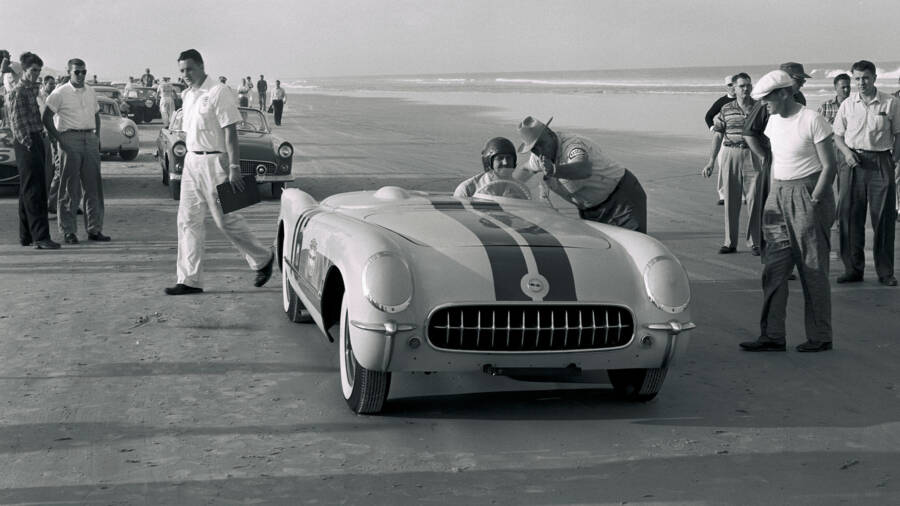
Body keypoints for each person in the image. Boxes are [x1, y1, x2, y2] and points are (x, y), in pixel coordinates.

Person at [740, 70, 837, 353]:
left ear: (783, 93)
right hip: (777, 194)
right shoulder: (771, 121)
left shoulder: (812, 120)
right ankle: (772, 335)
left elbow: (829, 166)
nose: (762, 104)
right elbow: (774, 156)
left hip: (808, 194)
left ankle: (820, 336)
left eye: (766, 98)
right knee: (774, 268)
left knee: (812, 268)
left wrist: (816, 199)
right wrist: (772, 194)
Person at [165, 49, 274, 296]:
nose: (185, 75)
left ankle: (263, 258)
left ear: (202, 66)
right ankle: (189, 280)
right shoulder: (187, 95)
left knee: (225, 220)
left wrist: (234, 167)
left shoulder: (218, 92)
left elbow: (230, 132)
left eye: (190, 69)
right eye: (182, 70)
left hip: (216, 163)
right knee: (188, 221)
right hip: (192, 162)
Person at [832, 60, 900, 286]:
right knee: (850, 217)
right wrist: (846, 154)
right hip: (852, 162)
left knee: (883, 219)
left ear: (874, 78)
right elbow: (837, 135)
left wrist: (894, 160)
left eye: (865, 78)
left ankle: (885, 271)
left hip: (881, 161)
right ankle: (853, 269)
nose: (861, 83)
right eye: (857, 79)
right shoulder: (848, 105)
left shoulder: (891, 103)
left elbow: (899, 134)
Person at [517, 116, 647, 233]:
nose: (540, 151)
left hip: (621, 200)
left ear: (550, 134)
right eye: (534, 148)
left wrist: (555, 170)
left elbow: (583, 169)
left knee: (632, 248)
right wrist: (507, 185)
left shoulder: (572, 146)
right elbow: (527, 170)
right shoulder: (539, 155)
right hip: (590, 211)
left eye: (541, 144)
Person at [43, 58, 109, 244]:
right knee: (69, 188)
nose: (80, 75)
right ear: (69, 72)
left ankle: (94, 229)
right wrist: (59, 139)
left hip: (89, 139)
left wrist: (96, 137)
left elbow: (96, 114)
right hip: (69, 139)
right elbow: (46, 117)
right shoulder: (59, 93)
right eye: (76, 72)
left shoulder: (90, 91)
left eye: (83, 71)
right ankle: (69, 231)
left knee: (93, 187)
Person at [701, 72, 761, 255]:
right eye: (742, 86)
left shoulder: (760, 107)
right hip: (730, 153)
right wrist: (711, 161)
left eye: (748, 85)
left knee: (755, 200)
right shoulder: (726, 109)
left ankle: (755, 242)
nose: (746, 89)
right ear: (733, 88)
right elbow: (718, 134)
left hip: (752, 155)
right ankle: (730, 242)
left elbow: (767, 133)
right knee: (731, 200)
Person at [7, 52, 59, 249]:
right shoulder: (18, 91)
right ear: (24, 70)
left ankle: (26, 235)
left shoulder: (31, 90)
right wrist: (29, 144)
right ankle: (41, 237)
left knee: (27, 189)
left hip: (35, 138)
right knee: (35, 190)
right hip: (27, 142)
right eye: (33, 70)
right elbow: (17, 123)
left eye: (38, 70)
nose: (36, 74)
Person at [454, 137, 529, 198]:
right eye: (500, 158)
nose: (505, 162)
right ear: (488, 162)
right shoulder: (468, 189)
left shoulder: (522, 190)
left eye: (509, 158)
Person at [705, 75, 737, 204]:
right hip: (724, 138)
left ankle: (743, 195)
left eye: (734, 84)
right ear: (726, 87)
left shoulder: (746, 101)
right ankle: (723, 195)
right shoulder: (722, 101)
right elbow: (708, 116)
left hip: (741, 139)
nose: (733, 87)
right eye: (730, 85)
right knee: (723, 166)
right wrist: (714, 129)